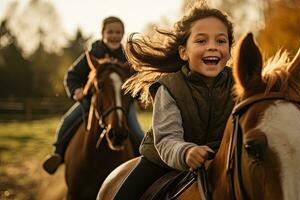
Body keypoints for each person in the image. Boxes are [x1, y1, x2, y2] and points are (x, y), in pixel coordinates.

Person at [114, 1, 235, 199]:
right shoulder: (169, 87)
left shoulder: (239, 84)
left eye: (221, 41)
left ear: (229, 50)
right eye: (202, 41)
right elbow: (167, 138)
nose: (213, 47)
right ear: (183, 52)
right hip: (162, 159)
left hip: (222, 159)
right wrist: (186, 152)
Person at [42, 16, 144, 175]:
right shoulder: (94, 52)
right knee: (68, 120)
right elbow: (72, 75)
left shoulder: (127, 57)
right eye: (110, 32)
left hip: (121, 104)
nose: (114, 35)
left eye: (118, 32)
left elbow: (136, 80)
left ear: (123, 34)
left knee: (137, 132)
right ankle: (58, 154)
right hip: (92, 101)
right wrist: (76, 90)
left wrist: (138, 97)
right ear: (102, 33)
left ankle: (143, 163)